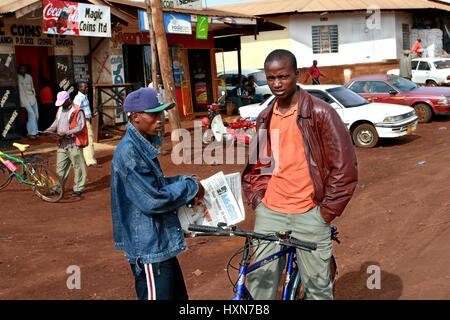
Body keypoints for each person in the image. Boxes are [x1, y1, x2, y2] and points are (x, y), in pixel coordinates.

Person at [242, 49, 358, 300]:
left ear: (297, 74)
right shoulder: (265, 117)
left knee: (317, 290)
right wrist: (258, 201)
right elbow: (258, 167)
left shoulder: (321, 113)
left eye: (283, 77)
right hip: (270, 211)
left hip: (310, 212)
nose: (277, 84)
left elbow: (345, 168)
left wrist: (324, 213)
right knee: (260, 288)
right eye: (271, 78)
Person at [110, 87, 205, 300]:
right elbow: (153, 199)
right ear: (135, 117)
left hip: (160, 243)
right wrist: (190, 187)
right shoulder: (131, 153)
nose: (160, 119)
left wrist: (185, 181)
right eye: (154, 114)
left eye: (161, 113)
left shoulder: (141, 146)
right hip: (150, 249)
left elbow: (154, 186)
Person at [44, 91, 88, 197]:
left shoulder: (77, 110)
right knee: (60, 167)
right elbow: (56, 122)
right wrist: (49, 130)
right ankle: (57, 188)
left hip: (73, 143)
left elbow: (80, 127)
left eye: (63, 102)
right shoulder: (60, 110)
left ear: (68, 100)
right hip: (62, 144)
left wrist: (67, 133)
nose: (62, 104)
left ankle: (78, 188)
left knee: (78, 166)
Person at [73, 81, 99, 167]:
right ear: (80, 88)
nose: (87, 89)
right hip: (83, 121)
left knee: (84, 140)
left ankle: (79, 161)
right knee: (89, 140)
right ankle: (90, 161)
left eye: (87, 87)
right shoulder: (79, 98)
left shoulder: (84, 96)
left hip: (85, 120)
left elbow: (84, 109)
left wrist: (92, 114)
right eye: (85, 87)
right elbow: (75, 111)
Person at [17, 64, 39, 140]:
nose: (22, 70)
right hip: (24, 99)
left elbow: (32, 87)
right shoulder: (17, 77)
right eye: (21, 69)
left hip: (32, 98)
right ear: (19, 69)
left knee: (36, 114)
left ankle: (35, 132)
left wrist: (34, 95)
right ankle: (30, 133)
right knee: (31, 114)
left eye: (24, 68)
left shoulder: (29, 76)